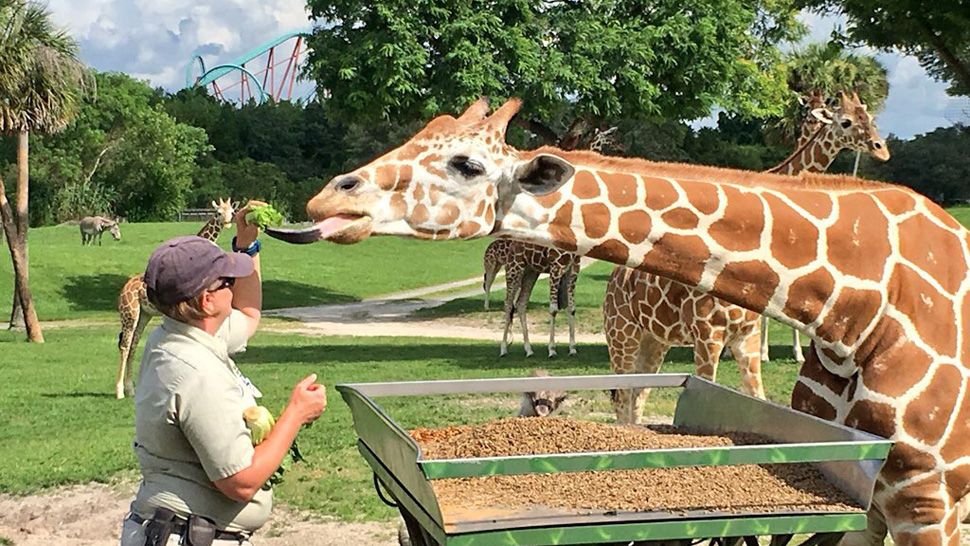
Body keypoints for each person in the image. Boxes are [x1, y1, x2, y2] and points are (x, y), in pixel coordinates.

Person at [120, 204, 328, 546]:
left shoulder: (179, 335)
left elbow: (247, 314)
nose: (235, 286)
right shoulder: (194, 371)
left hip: (184, 531)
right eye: (228, 281)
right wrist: (296, 414)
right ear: (206, 300)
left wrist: (247, 245)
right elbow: (241, 481)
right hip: (189, 537)